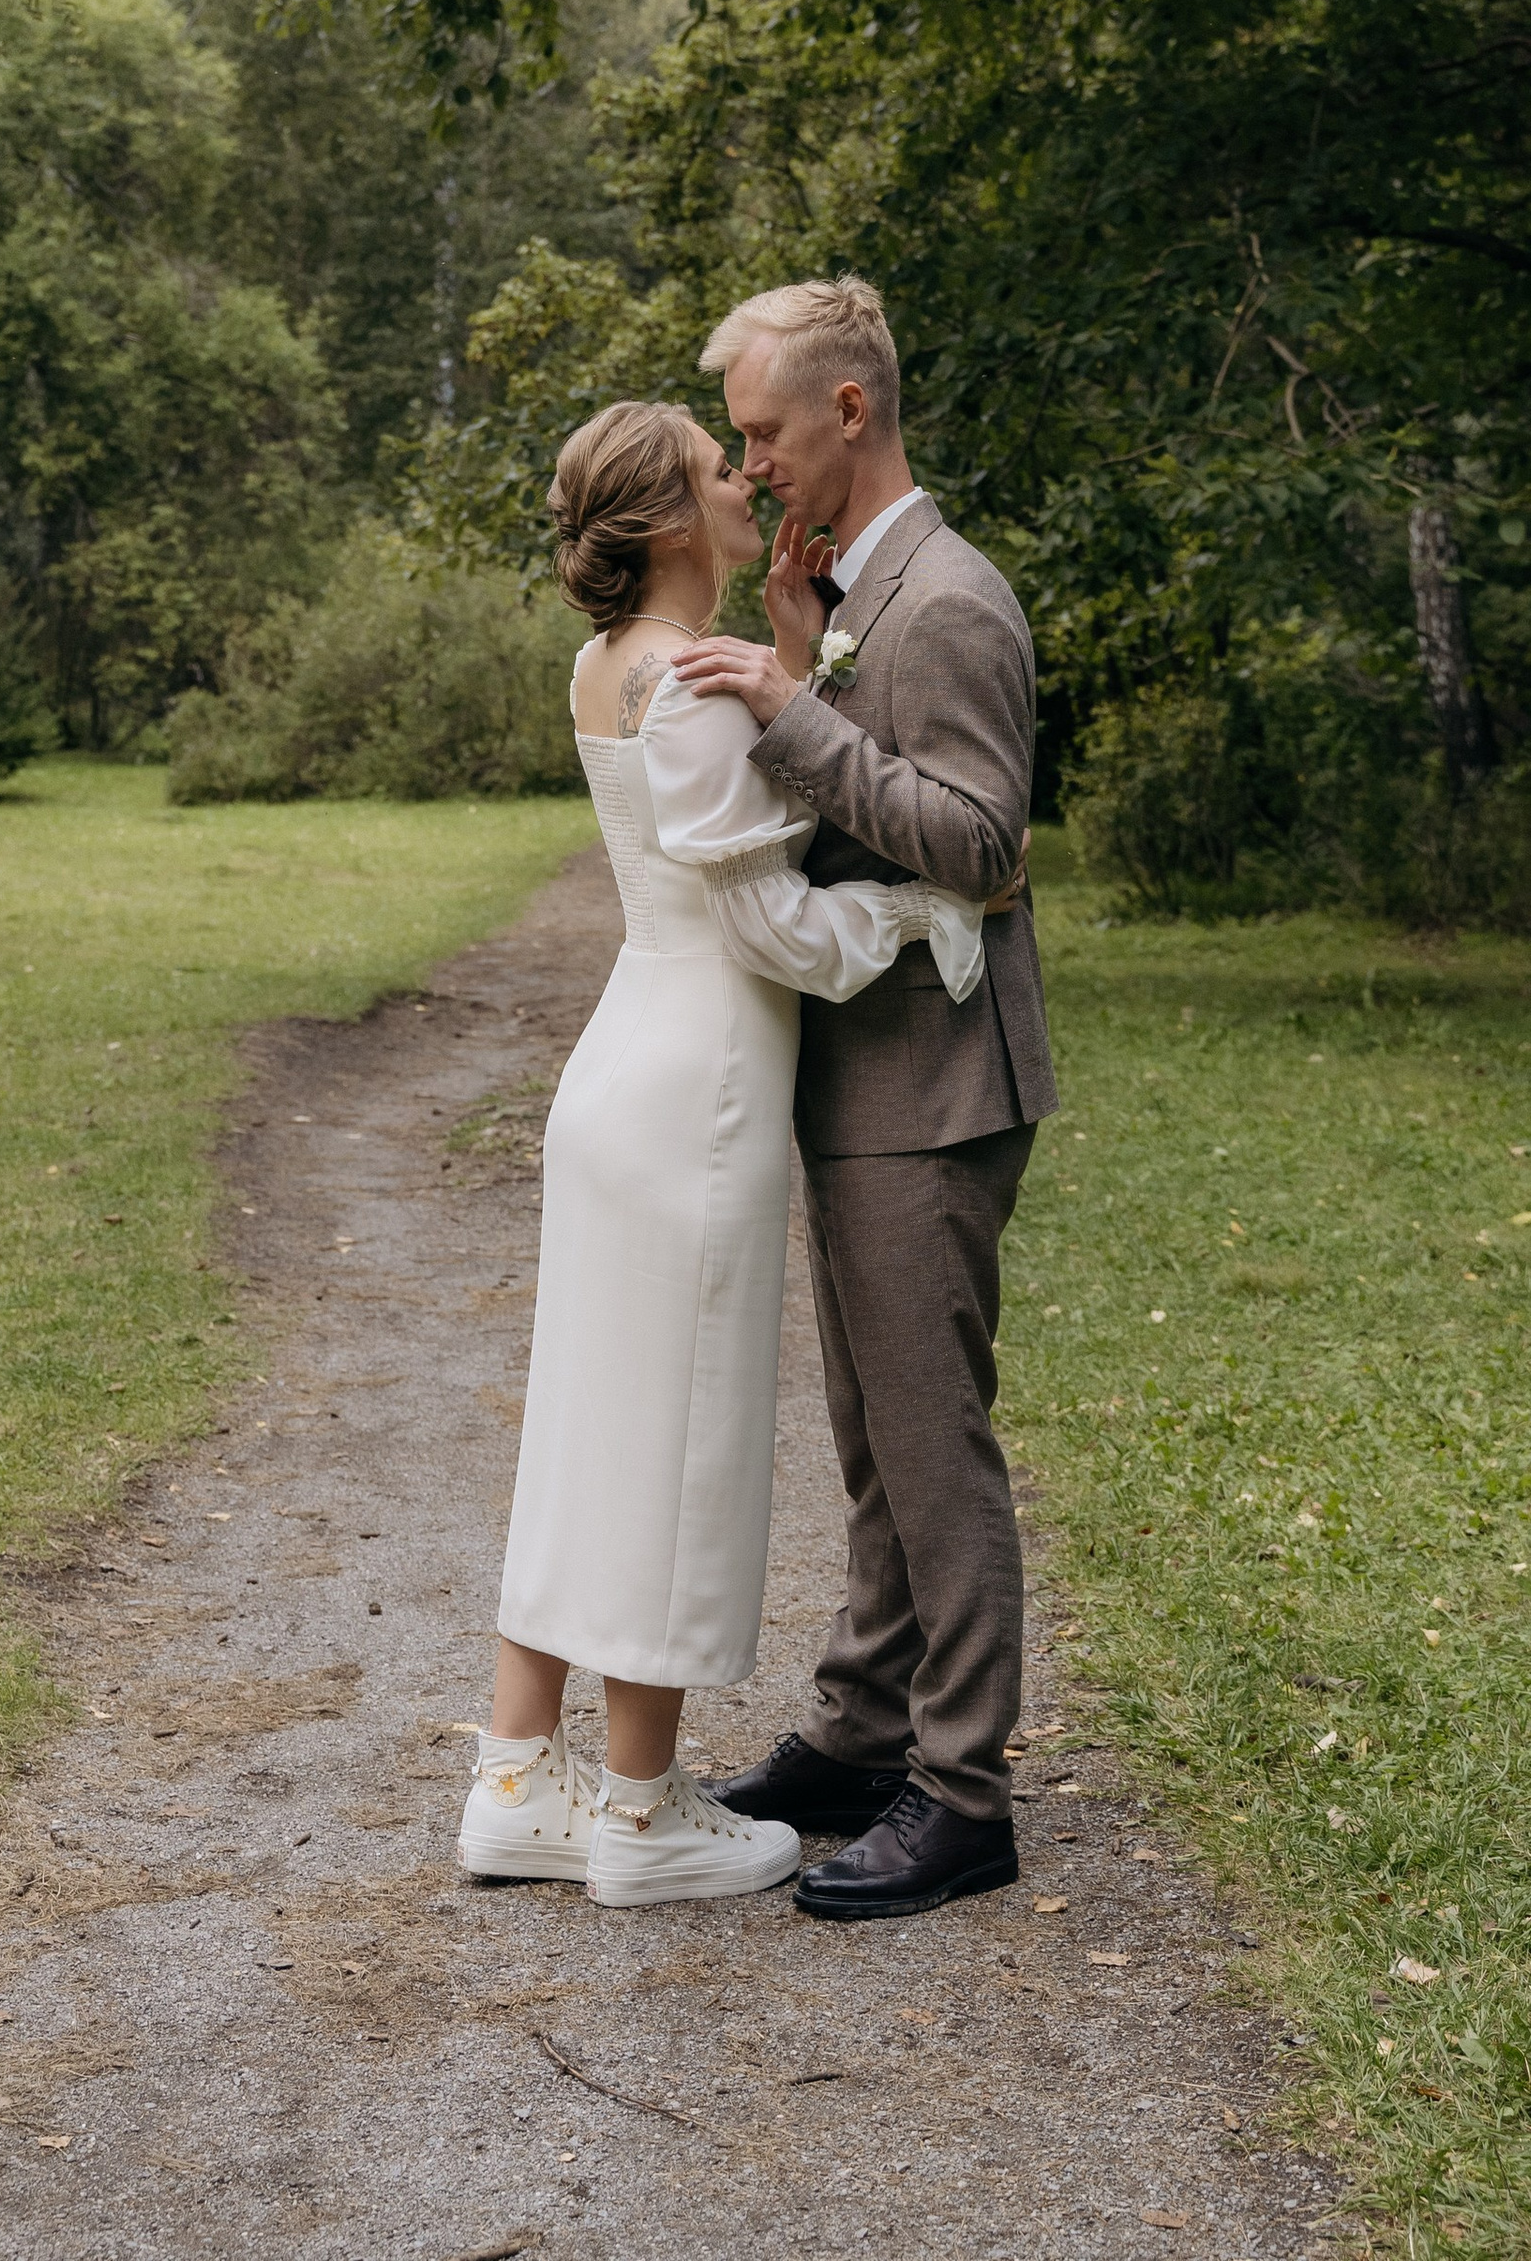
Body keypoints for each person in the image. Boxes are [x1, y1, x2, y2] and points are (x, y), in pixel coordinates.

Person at [461, 398, 991, 1909]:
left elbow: (710, 848)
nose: (748, 479)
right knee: (677, 1440)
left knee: (585, 1429)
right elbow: (773, 930)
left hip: (626, 1055)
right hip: (696, 1086)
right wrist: (931, 907)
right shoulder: (692, 687)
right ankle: (644, 1817)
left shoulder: (614, 662)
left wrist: (794, 662)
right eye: (718, 468)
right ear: (667, 520)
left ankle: (516, 1783)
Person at [675, 274, 1053, 1922]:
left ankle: (962, 1795)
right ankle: (859, 1733)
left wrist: (787, 710)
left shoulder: (952, 599)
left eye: (764, 432)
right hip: (865, 1077)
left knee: (930, 1445)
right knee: (873, 1444)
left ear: (849, 409)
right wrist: (796, 657)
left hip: (936, 1085)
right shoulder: (845, 591)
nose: (751, 464)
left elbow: (980, 840)